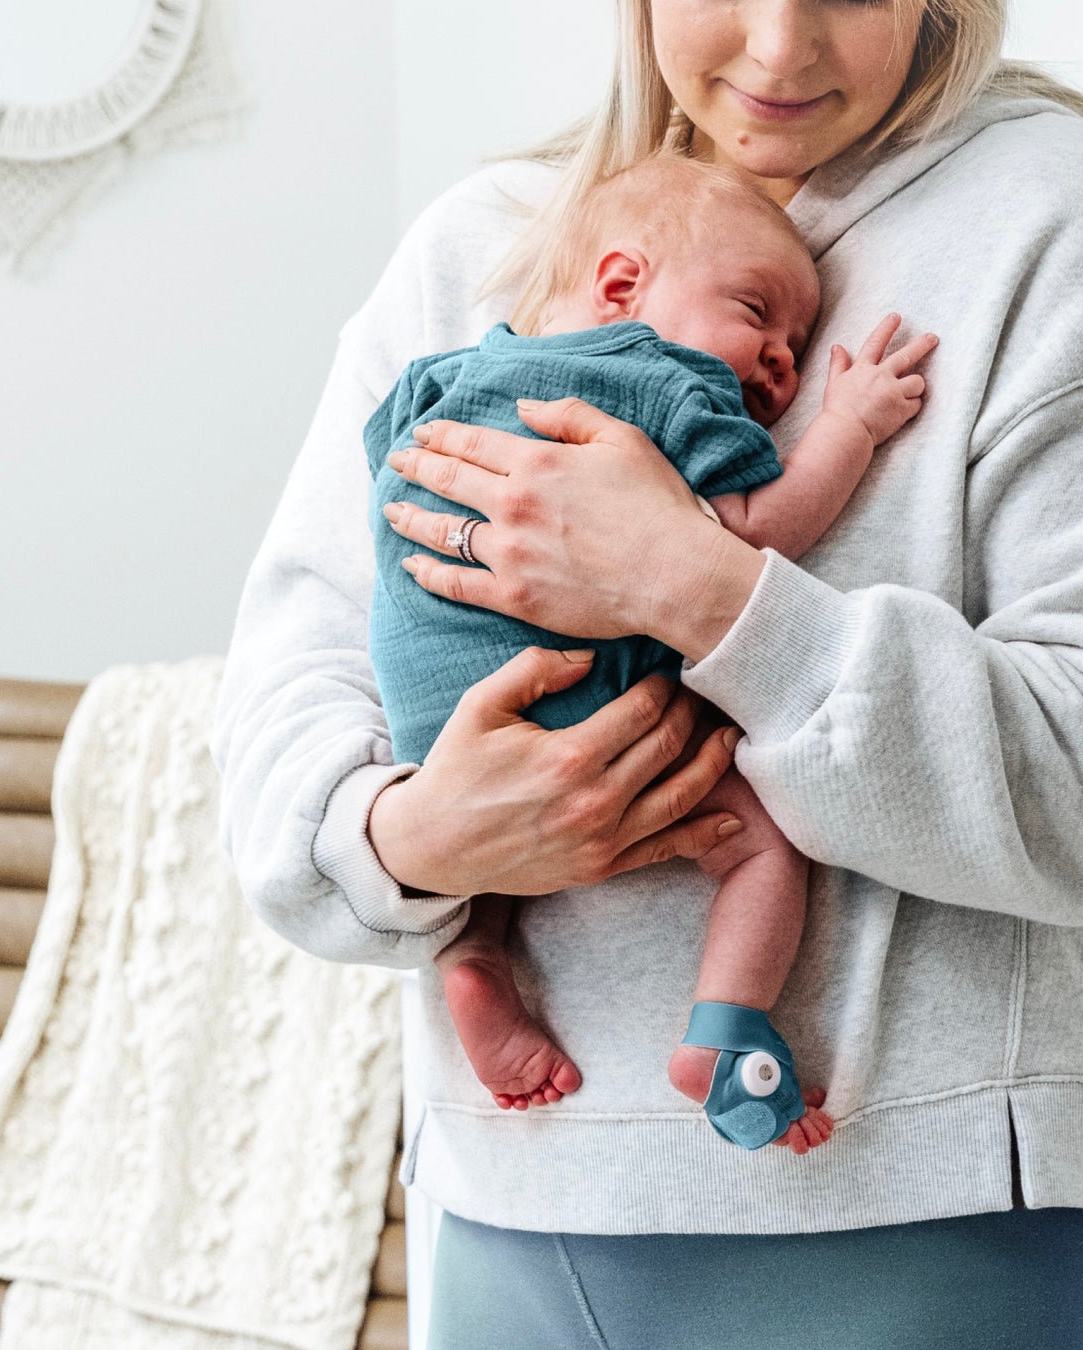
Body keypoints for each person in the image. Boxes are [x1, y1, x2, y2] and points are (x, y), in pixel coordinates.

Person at [210, 0, 1083, 1350]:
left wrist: (700, 589)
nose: (776, 51)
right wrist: (424, 840)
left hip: (926, 1225)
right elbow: (283, 719)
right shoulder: (481, 246)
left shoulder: (1056, 226)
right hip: (516, 1223)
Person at [365, 153, 936, 1155]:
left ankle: (482, 951)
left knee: (494, 839)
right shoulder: (660, 385)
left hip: (431, 729)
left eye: (797, 344)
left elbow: (384, 460)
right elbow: (756, 532)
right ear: (624, 286)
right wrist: (845, 424)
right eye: (758, 311)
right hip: (584, 697)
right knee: (765, 835)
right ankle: (721, 1032)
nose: (782, 361)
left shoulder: (446, 376)